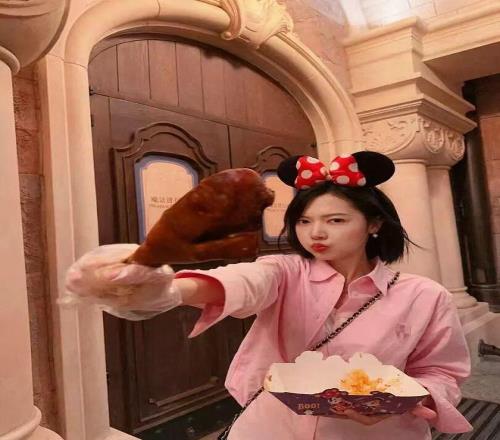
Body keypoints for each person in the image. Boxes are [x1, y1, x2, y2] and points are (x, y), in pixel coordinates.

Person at [65, 151, 472, 440]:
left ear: (374, 225)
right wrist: (167, 289)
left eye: (335, 220)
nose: (316, 233)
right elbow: (244, 281)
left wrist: (395, 401)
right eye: (304, 221)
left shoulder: (424, 296)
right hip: (270, 426)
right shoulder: (284, 271)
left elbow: (442, 373)